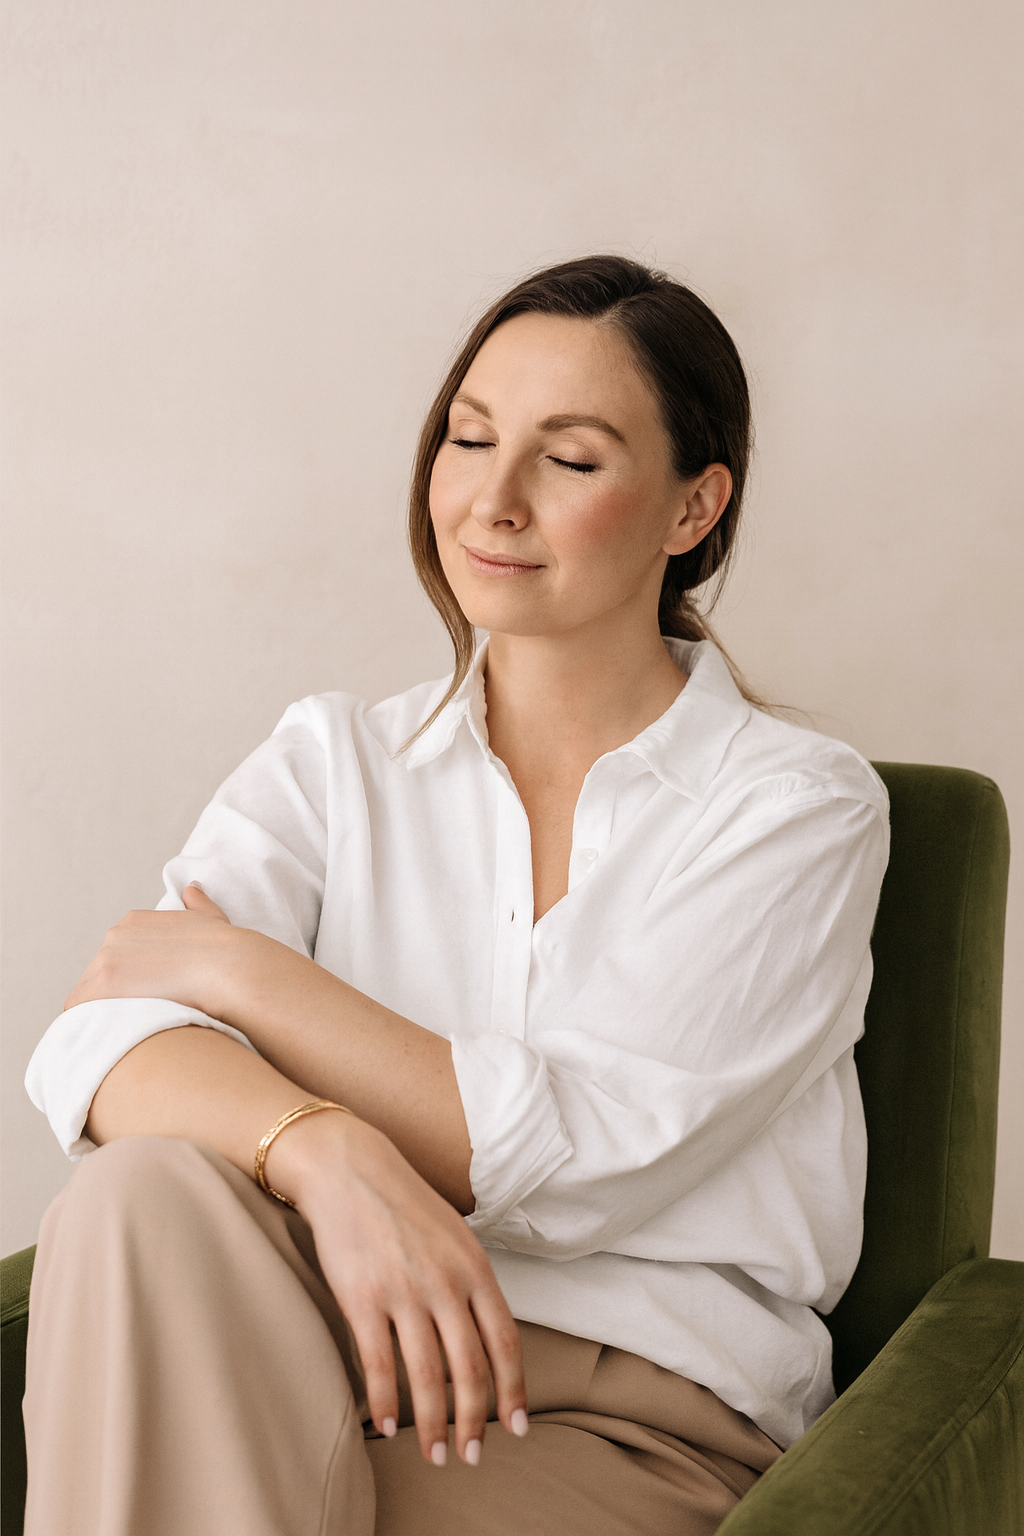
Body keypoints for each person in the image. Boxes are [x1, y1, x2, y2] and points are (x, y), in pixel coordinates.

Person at [22, 255, 889, 1536]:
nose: (492, 499)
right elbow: (99, 1044)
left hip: (623, 1417)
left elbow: (575, 1157)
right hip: (324, 1348)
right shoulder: (332, 760)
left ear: (691, 508)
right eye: (468, 438)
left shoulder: (797, 809)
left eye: (571, 460)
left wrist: (250, 977)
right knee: (136, 1196)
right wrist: (330, 1154)